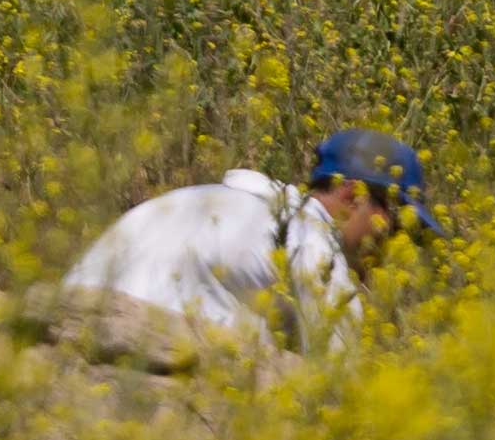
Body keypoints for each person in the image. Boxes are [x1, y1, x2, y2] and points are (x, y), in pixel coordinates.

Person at [59, 128, 445, 351]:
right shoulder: (314, 251)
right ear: (352, 196)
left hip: (58, 339)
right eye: (397, 224)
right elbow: (336, 394)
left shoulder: (200, 198)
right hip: (128, 379)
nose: (398, 245)